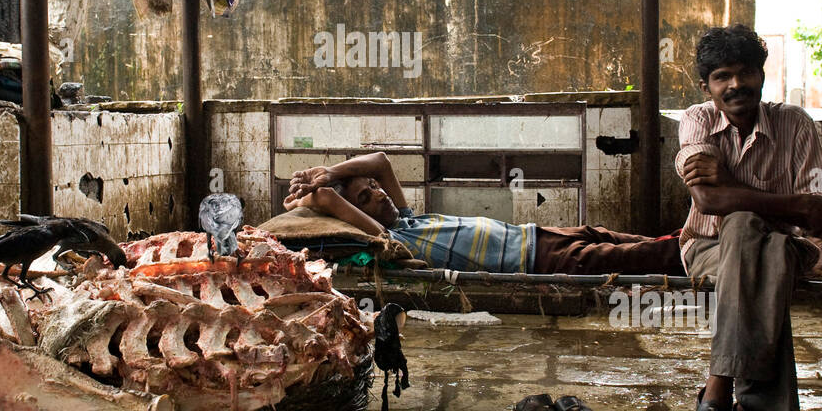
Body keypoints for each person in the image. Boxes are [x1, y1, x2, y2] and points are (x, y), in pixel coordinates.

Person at [676, 24, 822, 411]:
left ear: (761, 76)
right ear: (707, 86)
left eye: (746, 72)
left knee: (750, 230)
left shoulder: (795, 123)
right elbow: (709, 201)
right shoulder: (696, 120)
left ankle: (716, 393)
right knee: (751, 235)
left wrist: (741, 195)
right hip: (708, 249)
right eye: (722, 76)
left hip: (796, 251)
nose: (735, 85)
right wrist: (796, 206)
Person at [284, 150, 684, 275]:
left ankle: (696, 243)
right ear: (356, 214)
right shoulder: (392, 241)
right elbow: (326, 201)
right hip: (535, 261)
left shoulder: (408, 218)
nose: (379, 194)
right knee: (646, 259)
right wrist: (312, 193)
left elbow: (382, 161)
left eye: (373, 188)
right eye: (367, 197)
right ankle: (713, 256)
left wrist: (334, 171)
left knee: (617, 237)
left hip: (535, 235)